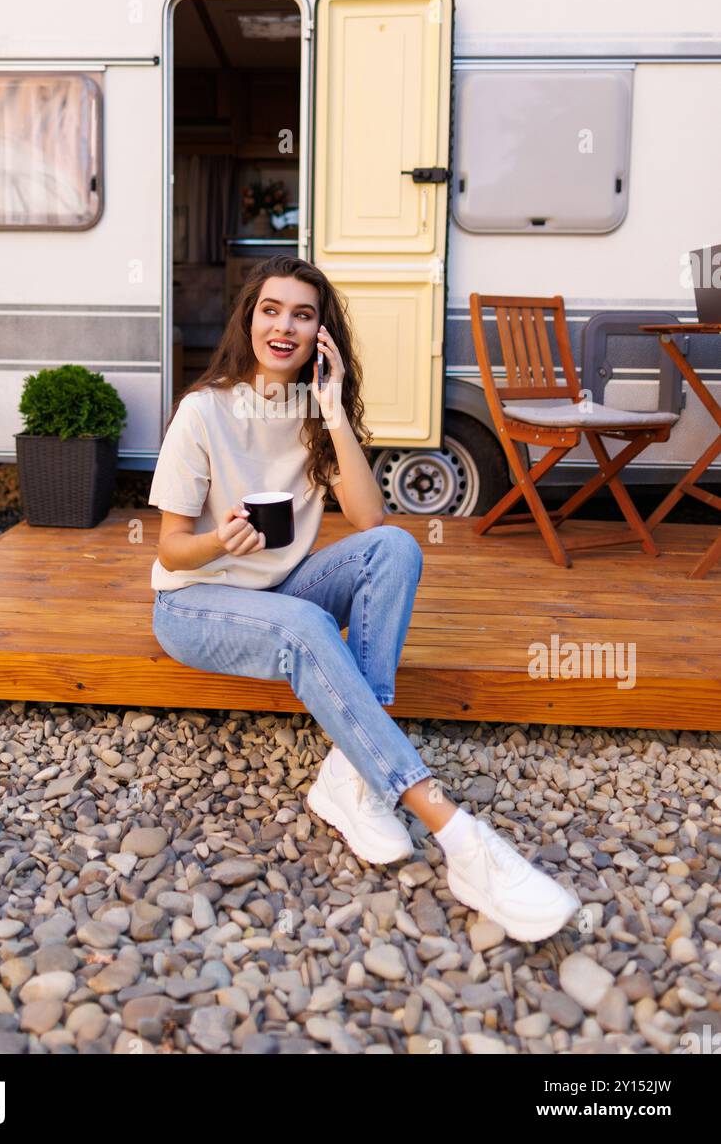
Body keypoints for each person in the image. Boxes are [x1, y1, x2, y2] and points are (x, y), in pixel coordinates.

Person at [149, 254, 579, 944]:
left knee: (397, 549)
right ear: (248, 320)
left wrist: (331, 414)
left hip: (279, 589)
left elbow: (370, 524)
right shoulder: (203, 411)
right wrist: (220, 543)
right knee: (303, 625)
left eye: (302, 314)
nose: (283, 325)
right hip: (195, 603)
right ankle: (460, 838)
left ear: (322, 334)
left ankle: (351, 768)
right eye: (270, 309)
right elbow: (170, 549)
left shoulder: (319, 414)